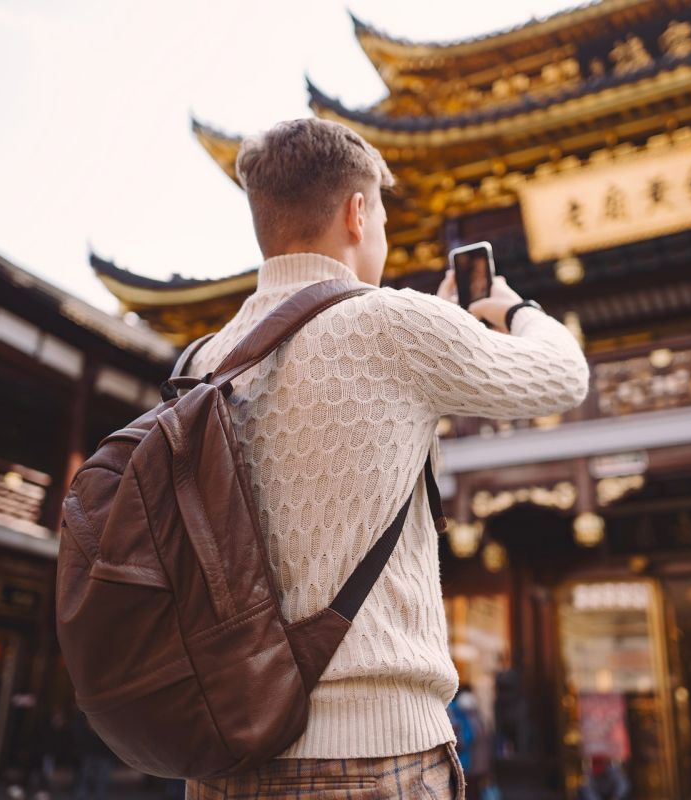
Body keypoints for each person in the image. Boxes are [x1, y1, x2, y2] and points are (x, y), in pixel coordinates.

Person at [184, 118, 589, 800]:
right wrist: (512, 309)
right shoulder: (394, 323)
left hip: (222, 755)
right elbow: (562, 375)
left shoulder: (201, 359)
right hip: (372, 752)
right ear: (357, 211)